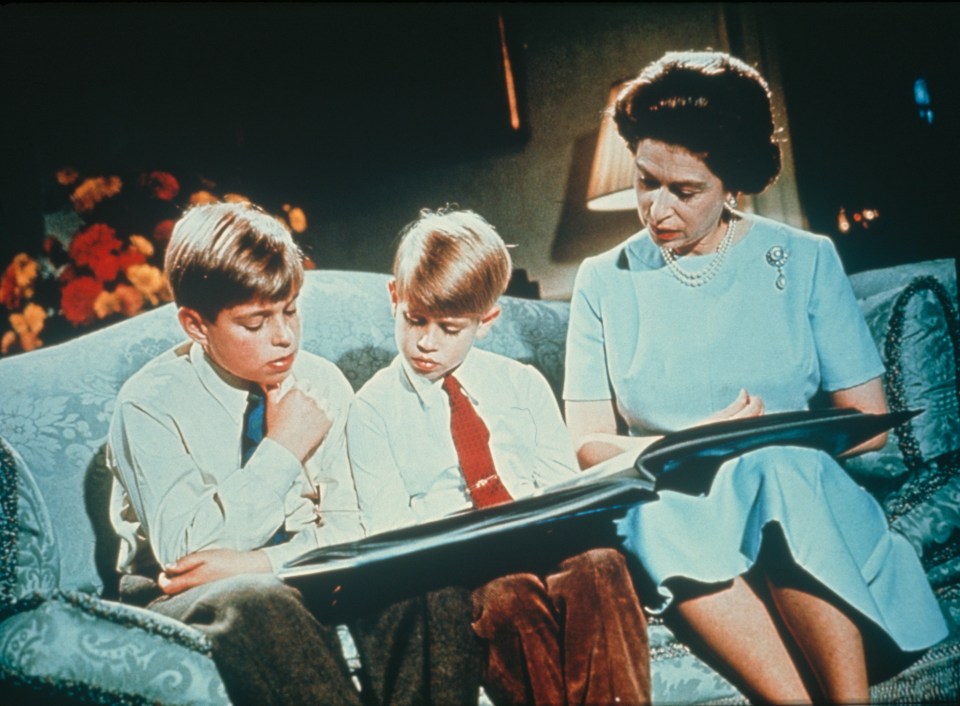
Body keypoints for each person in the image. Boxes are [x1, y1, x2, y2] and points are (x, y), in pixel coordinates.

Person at [563, 50, 949, 704]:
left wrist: (761, 442)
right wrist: (699, 437)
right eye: (645, 181)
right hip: (677, 504)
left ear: (733, 184)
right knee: (647, 517)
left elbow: (868, 425)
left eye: (685, 192)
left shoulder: (802, 258)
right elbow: (588, 445)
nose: (657, 210)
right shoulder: (603, 279)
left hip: (804, 496)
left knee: (776, 470)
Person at [107, 201, 480, 706]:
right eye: (255, 322)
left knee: (427, 586)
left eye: (290, 310)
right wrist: (283, 448)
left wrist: (261, 562)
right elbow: (187, 556)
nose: (283, 337)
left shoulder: (321, 381)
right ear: (196, 325)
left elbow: (360, 528)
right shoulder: (148, 403)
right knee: (257, 603)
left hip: (298, 570)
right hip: (177, 594)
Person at [346, 207, 651, 706]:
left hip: (545, 544)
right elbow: (389, 531)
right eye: (415, 319)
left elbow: (561, 490)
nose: (426, 342)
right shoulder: (372, 409)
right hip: (463, 567)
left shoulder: (522, 385)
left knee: (601, 565)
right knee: (510, 598)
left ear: (486, 321)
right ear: (394, 298)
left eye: (449, 328)